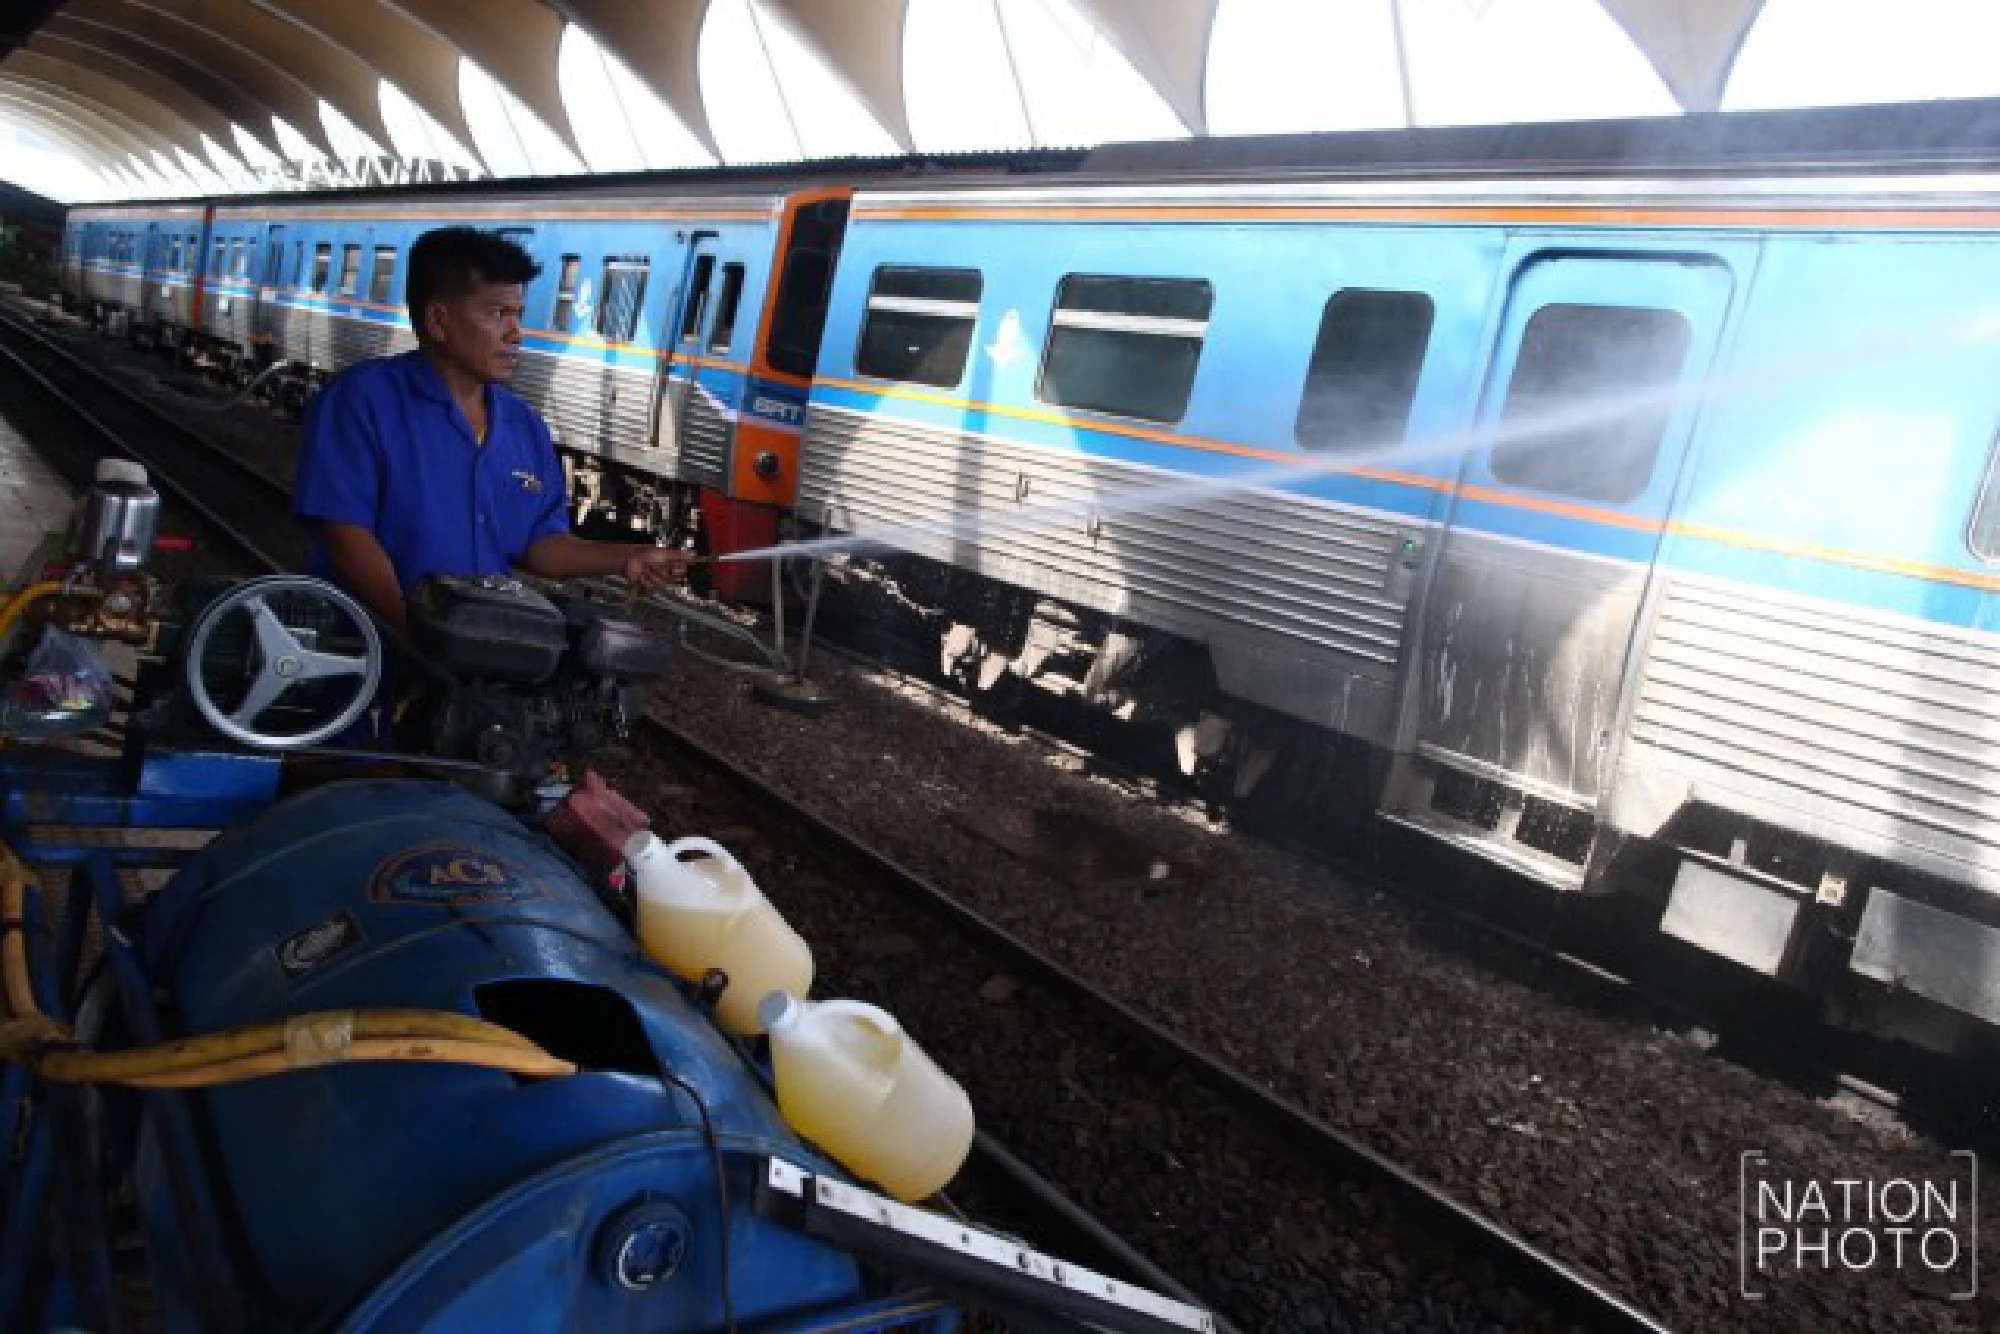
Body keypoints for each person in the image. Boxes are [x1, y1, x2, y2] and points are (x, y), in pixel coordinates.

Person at [293, 226, 686, 635]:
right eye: (499, 314)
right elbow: (344, 534)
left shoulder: (524, 427)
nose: (516, 333)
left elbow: (541, 545)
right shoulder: (362, 401)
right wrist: (416, 634)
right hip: (365, 659)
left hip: (469, 665)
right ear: (438, 320)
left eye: (518, 315)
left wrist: (628, 558)